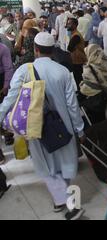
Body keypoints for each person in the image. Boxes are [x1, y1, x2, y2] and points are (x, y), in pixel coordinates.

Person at [0, 32, 85, 219]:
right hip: (63, 127)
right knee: (66, 165)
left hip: (37, 128)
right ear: (52, 50)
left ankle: (69, 204)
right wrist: (79, 129)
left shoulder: (24, 70)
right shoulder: (63, 71)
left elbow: (11, 98)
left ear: (35, 50)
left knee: (46, 167)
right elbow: (72, 105)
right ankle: (64, 200)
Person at [79, 44, 107, 123]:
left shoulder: (88, 69)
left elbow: (86, 90)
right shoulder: (106, 62)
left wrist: (82, 84)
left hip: (99, 100)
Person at [66, 17, 87, 88]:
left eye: (69, 24)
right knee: (78, 78)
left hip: (78, 60)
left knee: (79, 78)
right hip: (77, 60)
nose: (68, 25)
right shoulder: (74, 34)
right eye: (68, 23)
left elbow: (69, 48)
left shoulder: (76, 36)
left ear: (75, 25)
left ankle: (82, 94)